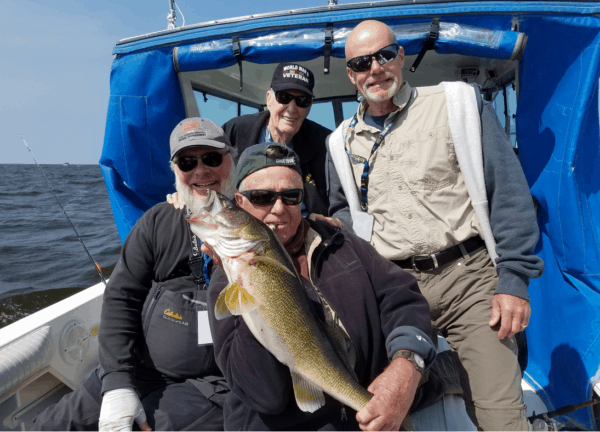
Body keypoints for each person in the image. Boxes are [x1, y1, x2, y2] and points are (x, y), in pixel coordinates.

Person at [326, 20, 544, 431]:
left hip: (471, 281)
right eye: (361, 63)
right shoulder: (339, 144)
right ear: (351, 74)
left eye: (384, 55)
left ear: (400, 56)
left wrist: (514, 279)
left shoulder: (458, 104)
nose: (375, 69)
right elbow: (347, 218)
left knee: (501, 418)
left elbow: (508, 192)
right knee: (379, 409)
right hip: (397, 289)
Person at [205, 142, 438, 431]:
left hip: (366, 416)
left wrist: (406, 366)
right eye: (262, 197)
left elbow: (403, 299)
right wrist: (249, 286)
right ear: (240, 202)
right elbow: (264, 396)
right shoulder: (225, 281)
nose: (278, 208)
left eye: (291, 196)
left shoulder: (341, 243)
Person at [28, 117, 234, 431]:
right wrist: (117, 382)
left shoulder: (255, 221)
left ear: (231, 160)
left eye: (211, 158)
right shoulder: (156, 221)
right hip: (136, 369)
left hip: (208, 385)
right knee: (49, 426)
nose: (200, 170)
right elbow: (121, 297)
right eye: (187, 162)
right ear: (175, 170)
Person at [222, 62, 336, 221]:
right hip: (246, 226)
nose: (292, 108)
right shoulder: (234, 131)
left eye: (302, 100)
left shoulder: (326, 143)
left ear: (309, 107)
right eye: (284, 97)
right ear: (269, 99)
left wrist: (323, 223)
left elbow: (340, 201)